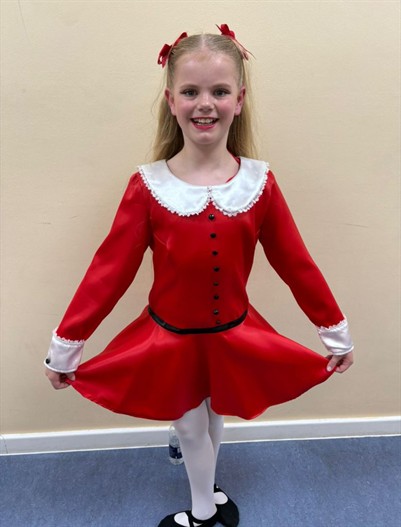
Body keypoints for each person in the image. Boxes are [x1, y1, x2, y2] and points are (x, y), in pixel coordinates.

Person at [44, 24, 354, 527]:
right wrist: (67, 345)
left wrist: (333, 330)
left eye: (219, 91)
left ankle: (205, 499)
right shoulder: (148, 186)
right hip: (171, 339)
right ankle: (206, 511)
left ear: (239, 99)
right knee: (190, 428)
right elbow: (108, 271)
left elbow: (295, 262)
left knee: (214, 416)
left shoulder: (259, 183)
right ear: (171, 101)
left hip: (233, 332)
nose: (204, 104)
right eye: (190, 91)